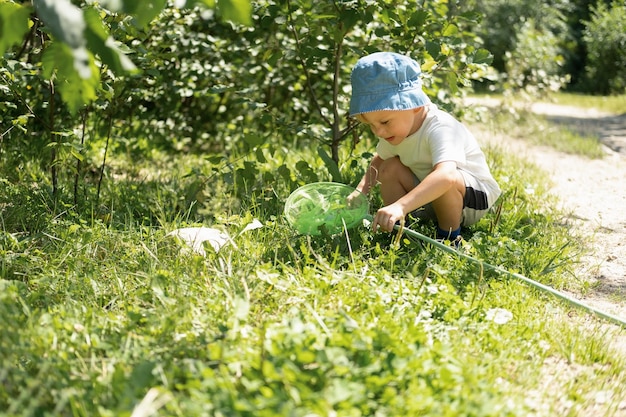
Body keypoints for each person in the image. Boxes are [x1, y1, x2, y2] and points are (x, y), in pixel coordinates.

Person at [348, 52, 501, 242]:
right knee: (388, 167)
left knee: (445, 180)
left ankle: (449, 238)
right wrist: (361, 190)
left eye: (385, 122)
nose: (378, 132)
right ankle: (400, 231)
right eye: (371, 125)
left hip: (471, 202)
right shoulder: (397, 130)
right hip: (430, 196)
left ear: (415, 106)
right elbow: (379, 161)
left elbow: (446, 176)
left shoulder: (440, 127)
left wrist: (401, 205)